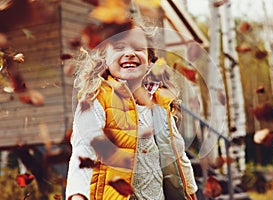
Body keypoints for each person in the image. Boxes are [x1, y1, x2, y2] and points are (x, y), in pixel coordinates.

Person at [65, 21, 198, 200]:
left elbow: (177, 153)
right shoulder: (96, 97)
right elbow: (84, 148)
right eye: (119, 47)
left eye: (138, 48)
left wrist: (190, 191)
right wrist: (77, 195)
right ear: (104, 58)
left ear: (150, 60)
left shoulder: (159, 102)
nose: (129, 53)